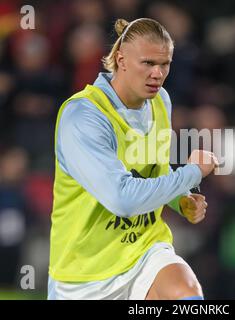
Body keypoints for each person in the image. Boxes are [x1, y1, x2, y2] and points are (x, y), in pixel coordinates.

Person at [48, 18, 219, 300]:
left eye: (165, 64)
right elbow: (122, 200)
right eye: (148, 63)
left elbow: (155, 173)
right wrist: (193, 172)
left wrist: (180, 199)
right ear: (121, 59)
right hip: (83, 275)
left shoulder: (160, 101)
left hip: (145, 251)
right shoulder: (84, 116)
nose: (158, 74)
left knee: (186, 294)